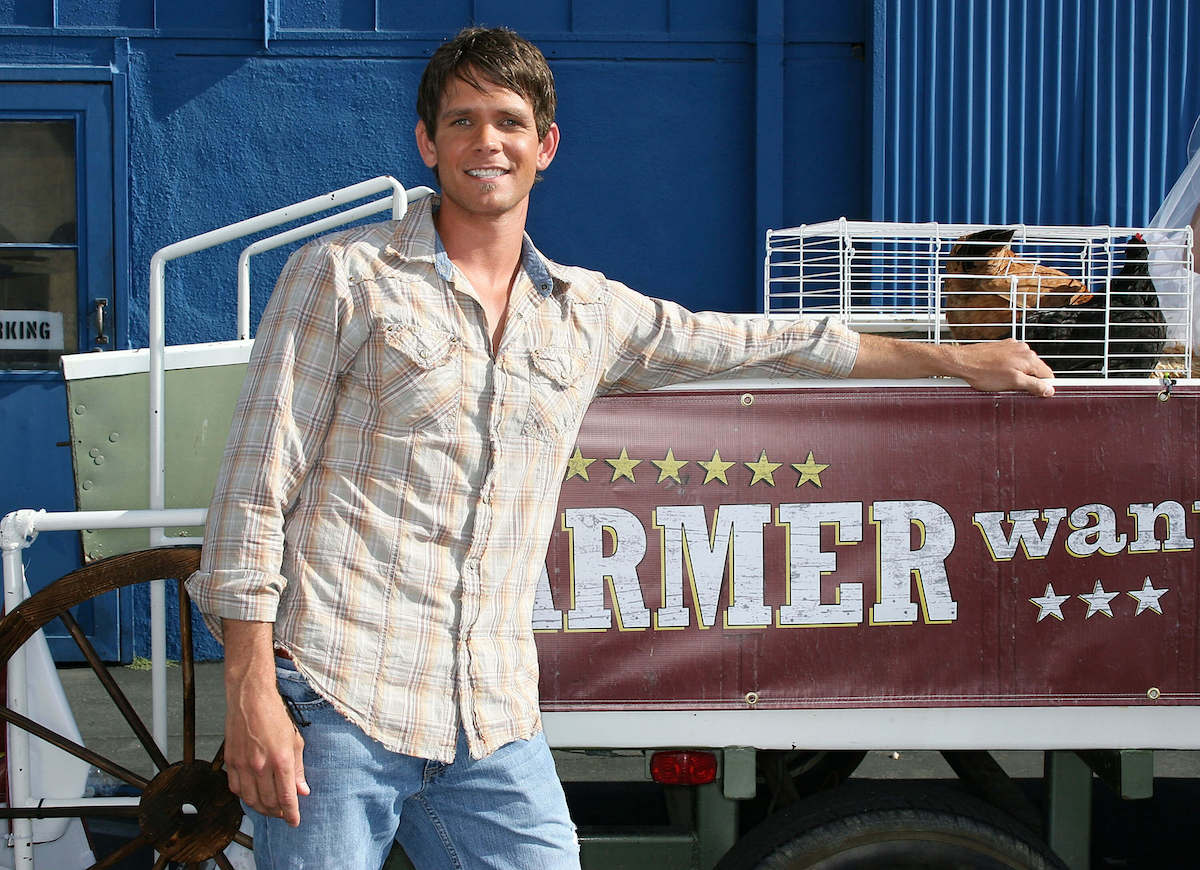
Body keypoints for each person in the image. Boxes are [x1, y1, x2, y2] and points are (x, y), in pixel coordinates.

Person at [186, 25, 1054, 870]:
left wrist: (949, 358)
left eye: (509, 122)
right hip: (338, 698)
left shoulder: (585, 313)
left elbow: (754, 341)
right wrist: (250, 691)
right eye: (462, 121)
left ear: (546, 144)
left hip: (490, 714)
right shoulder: (341, 276)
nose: (486, 142)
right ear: (427, 142)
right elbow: (257, 488)